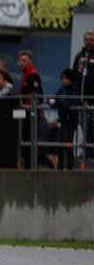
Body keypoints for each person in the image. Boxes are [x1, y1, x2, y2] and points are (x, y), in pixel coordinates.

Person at [17, 49, 45, 167]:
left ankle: (29, 164)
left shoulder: (32, 75)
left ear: (29, 61)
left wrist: (31, 108)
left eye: (24, 60)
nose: (21, 63)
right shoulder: (25, 74)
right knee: (23, 138)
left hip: (29, 113)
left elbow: (38, 95)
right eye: (19, 61)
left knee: (28, 139)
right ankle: (25, 162)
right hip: (24, 112)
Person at [50, 68, 82, 170]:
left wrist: (59, 103)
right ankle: (60, 165)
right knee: (60, 143)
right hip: (62, 120)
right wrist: (53, 103)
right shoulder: (62, 89)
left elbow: (70, 103)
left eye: (65, 78)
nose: (63, 81)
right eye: (62, 78)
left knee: (68, 143)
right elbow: (56, 99)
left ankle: (69, 165)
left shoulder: (74, 89)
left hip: (70, 121)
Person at [71, 31, 94, 159]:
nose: (89, 42)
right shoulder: (79, 57)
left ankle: (91, 152)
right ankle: (87, 152)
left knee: (92, 128)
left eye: (91, 39)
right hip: (81, 100)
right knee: (85, 127)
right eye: (87, 39)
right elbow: (74, 75)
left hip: (92, 101)